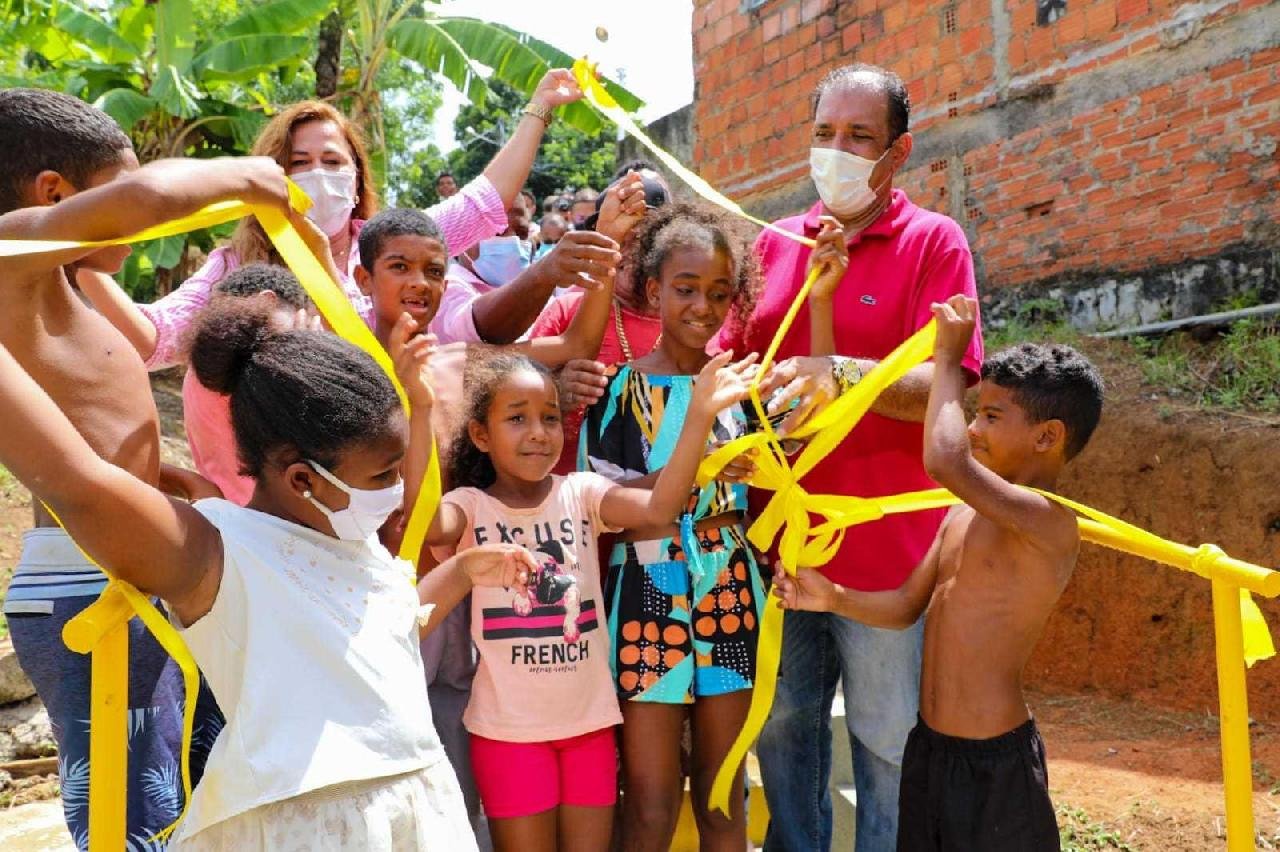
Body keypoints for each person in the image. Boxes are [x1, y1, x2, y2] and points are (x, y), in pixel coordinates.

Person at [0, 286, 547, 848]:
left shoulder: (353, 543)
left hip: (418, 816)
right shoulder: (214, 553)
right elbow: (76, 483)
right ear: (302, 479)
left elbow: (386, 638)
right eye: (383, 476)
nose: (398, 490)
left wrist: (463, 571)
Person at [0, 87, 290, 846]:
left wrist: (165, 478)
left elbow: (84, 418)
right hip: (91, 579)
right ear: (55, 196)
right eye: (115, 188)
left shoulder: (65, 290)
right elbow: (155, 196)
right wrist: (249, 174)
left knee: (174, 786)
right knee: (128, 814)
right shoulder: (14, 251)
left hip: (123, 565)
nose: (140, 223)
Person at [712, 64, 985, 852]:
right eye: (824, 133)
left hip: (889, 555)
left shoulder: (935, 242)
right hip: (779, 546)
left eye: (858, 137)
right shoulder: (773, 243)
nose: (836, 151)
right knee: (784, 729)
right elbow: (731, 365)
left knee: (888, 738)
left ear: (897, 152)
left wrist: (848, 380)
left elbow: (951, 381)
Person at [774, 296, 1104, 851]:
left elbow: (944, 460)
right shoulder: (961, 514)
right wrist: (832, 597)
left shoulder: (1048, 525)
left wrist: (948, 361)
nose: (973, 428)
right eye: (974, 413)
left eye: (991, 417)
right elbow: (905, 606)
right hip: (928, 750)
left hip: (995, 762)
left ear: (1047, 436)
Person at [422, 346, 758, 852]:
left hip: (590, 731)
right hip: (509, 736)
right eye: (517, 419)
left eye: (551, 418)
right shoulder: (467, 506)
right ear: (480, 435)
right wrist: (421, 408)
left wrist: (700, 416)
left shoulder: (582, 492)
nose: (539, 432)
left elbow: (664, 505)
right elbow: (421, 523)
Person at [80, 68, 586, 371]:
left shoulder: (392, 247)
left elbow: (485, 201)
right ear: (268, 179)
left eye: (332, 162)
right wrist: (80, 257)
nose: (317, 176)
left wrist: (538, 108)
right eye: (298, 164)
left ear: (358, 176)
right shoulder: (235, 267)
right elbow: (156, 338)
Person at [578, 203, 765, 851]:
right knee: (651, 806)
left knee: (723, 799)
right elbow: (601, 500)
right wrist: (699, 464)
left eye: (719, 293)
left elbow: (767, 490)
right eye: (685, 289)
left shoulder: (745, 387)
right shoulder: (617, 391)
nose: (703, 307)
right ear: (654, 290)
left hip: (731, 593)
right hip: (646, 595)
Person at [532, 162, 671, 475]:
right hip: (568, 509)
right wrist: (553, 394)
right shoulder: (566, 313)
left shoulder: (696, 320)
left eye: (647, 233)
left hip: (668, 514)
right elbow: (505, 399)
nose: (631, 244)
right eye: (621, 231)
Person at [182, 264, 318, 504]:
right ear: (268, 301)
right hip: (271, 522)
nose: (303, 324)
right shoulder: (260, 373)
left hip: (224, 516)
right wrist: (308, 355)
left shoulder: (203, 370)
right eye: (299, 314)